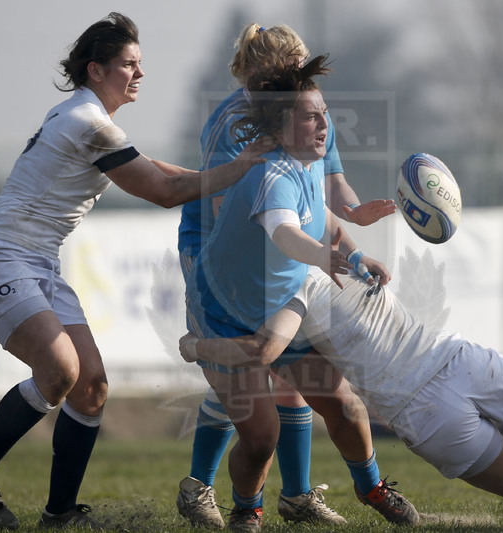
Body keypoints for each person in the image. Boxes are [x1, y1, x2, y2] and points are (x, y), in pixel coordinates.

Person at [0, 13, 274, 531]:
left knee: (91, 385)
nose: (139, 73)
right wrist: (243, 166)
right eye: (128, 64)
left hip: (38, 264)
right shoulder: (87, 122)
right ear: (95, 70)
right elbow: (163, 192)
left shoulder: (90, 119)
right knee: (60, 372)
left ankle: (59, 515)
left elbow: (162, 170)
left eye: (141, 63)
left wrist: (233, 179)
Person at [180, 264, 503, 531]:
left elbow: (265, 348)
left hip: (423, 412)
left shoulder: (291, 285)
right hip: (462, 361)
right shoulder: (341, 255)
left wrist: (196, 345)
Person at [176, 23, 395, 529]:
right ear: (256, 73)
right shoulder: (234, 124)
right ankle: (200, 486)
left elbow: (328, 186)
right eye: (284, 73)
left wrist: (352, 224)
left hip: (283, 248)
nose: (294, 80)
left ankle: (295, 497)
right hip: (219, 252)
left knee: (288, 376)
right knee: (250, 379)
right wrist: (304, 247)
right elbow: (227, 205)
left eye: (298, 71)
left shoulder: (309, 115)